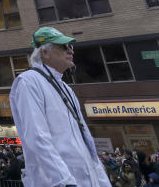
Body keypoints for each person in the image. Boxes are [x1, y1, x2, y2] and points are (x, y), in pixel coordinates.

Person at [10, 26, 112, 187]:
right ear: (44, 52)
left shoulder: (66, 89)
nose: (71, 50)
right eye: (64, 46)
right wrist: (64, 181)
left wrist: (102, 181)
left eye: (71, 46)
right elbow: (37, 136)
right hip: (57, 182)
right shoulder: (29, 82)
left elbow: (87, 141)